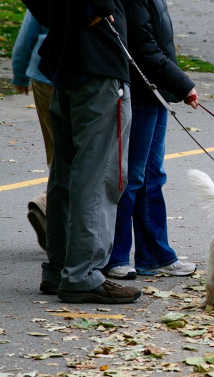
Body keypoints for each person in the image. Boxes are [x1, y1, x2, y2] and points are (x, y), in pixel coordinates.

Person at [22, 0, 141, 304]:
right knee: (98, 176)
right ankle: (82, 273)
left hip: (66, 65)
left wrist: (62, 17)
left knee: (66, 173)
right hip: (97, 66)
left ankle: (61, 266)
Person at [103, 0, 198, 279]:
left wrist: (173, 84)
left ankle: (155, 254)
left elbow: (158, 43)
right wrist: (182, 83)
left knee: (153, 175)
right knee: (131, 178)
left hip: (157, 94)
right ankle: (116, 256)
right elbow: (145, 49)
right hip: (140, 94)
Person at [11, 10, 54, 251]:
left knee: (55, 150)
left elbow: (27, 35)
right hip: (79, 80)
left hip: (42, 78)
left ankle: (51, 211)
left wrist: (20, 75)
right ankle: (48, 206)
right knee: (77, 158)